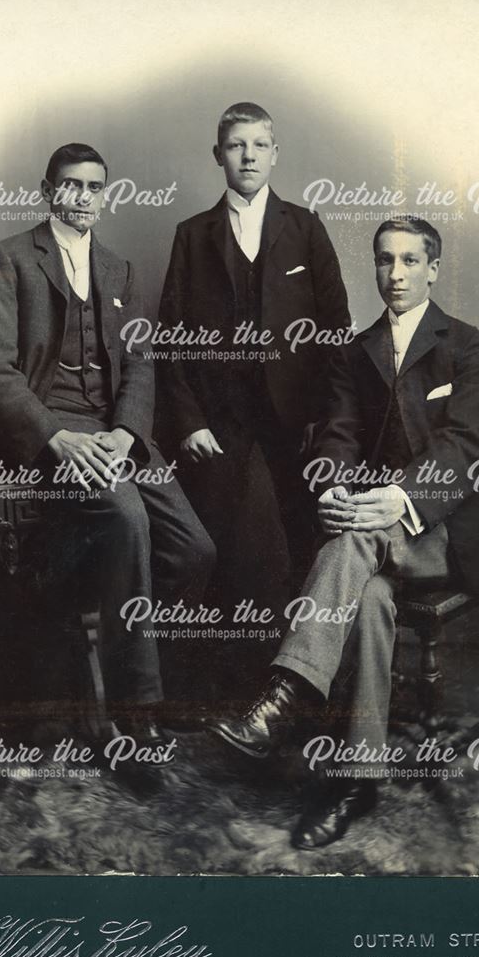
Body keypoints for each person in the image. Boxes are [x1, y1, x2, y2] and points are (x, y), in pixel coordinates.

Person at [208, 217, 479, 848]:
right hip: (371, 538)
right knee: (368, 599)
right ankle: (357, 780)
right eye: (382, 261)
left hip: (444, 532)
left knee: (354, 541)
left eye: (407, 261)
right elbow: (338, 434)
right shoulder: (355, 350)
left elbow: (467, 449)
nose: (394, 275)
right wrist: (337, 489)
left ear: (432, 268)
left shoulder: (472, 347)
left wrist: (397, 500)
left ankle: (285, 693)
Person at [0, 142, 214, 745]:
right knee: (129, 520)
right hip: (47, 434)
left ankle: (133, 664)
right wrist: (56, 438)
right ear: (47, 190)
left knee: (194, 550)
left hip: (114, 434)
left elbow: (140, 364)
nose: (83, 198)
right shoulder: (6, 259)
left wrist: (126, 435)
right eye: (71, 186)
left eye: (94, 187)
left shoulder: (120, 271)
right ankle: (136, 714)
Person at [156, 102, 350, 611]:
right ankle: (228, 674)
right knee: (229, 549)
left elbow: (336, 331)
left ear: (275, 154)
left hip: (294, 420)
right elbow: (170, 338)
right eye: (236, 145)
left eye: (259, 145)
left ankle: (296, 672)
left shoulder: (306, 228)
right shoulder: (192, 235)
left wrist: (324, 418)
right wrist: (189, 422)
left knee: (297, 540)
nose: (248, 156)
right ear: (217, 154)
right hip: (219, 422)